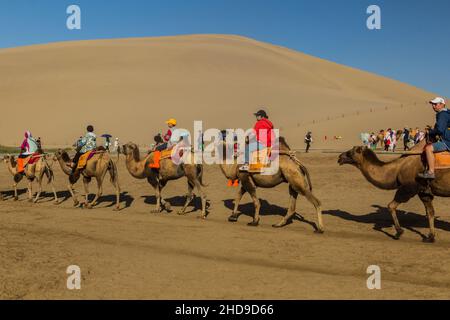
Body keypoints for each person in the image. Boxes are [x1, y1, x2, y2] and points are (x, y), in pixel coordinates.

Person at [418, 97, 450, 179]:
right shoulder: (446, 113)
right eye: (432, 104)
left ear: (442, 104)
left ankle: (431, 172)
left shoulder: (443, 114)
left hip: (447, 141)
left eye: (435, 104)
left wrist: (430, 132)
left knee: (428, 148)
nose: (433, 106)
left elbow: (440, 129)